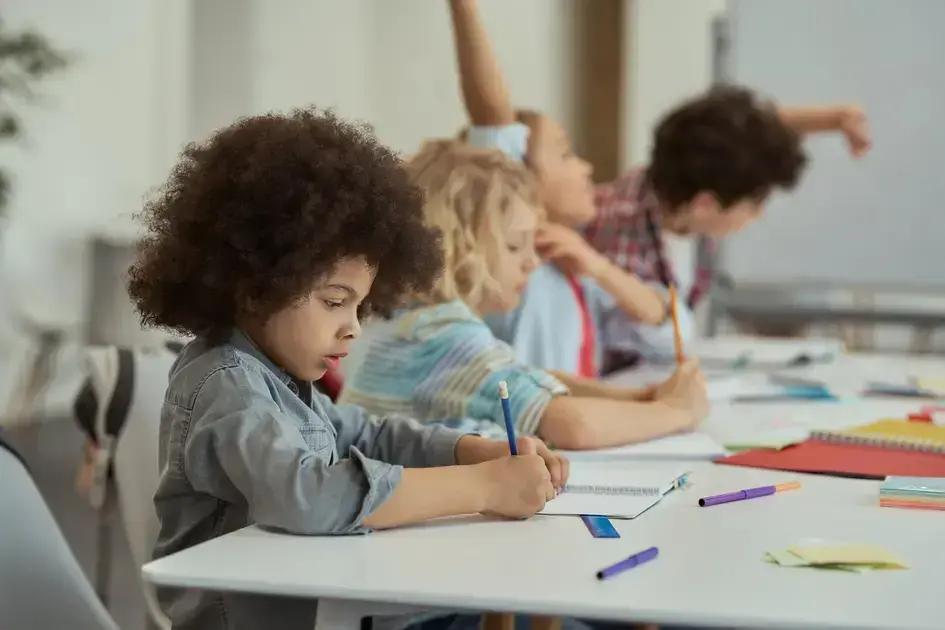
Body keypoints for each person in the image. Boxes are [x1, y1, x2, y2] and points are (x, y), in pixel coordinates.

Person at [127, 108, 568, 630]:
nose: (354, 327)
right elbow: (309, 494)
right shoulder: (228, 384)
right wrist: (483, 488)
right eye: (335, 302)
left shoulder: (279, 374)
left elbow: (364, 434)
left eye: (359, 307)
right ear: (256, 284)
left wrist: (471, 449)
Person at [448, 0, 871, 373]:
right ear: (706, 204)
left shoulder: (660, 193)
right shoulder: (591, 240)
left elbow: (737, 132)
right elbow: (495, 122)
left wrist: (831, 120)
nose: (590, 171)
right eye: (754, 204)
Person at [341, 140, 707, 451]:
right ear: (460, 249)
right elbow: (574, 426)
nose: (532, 263)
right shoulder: (442, 336)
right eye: (516, 245)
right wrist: (676, 413)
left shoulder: (404, 319)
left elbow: (526, 376)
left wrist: (640, 400)